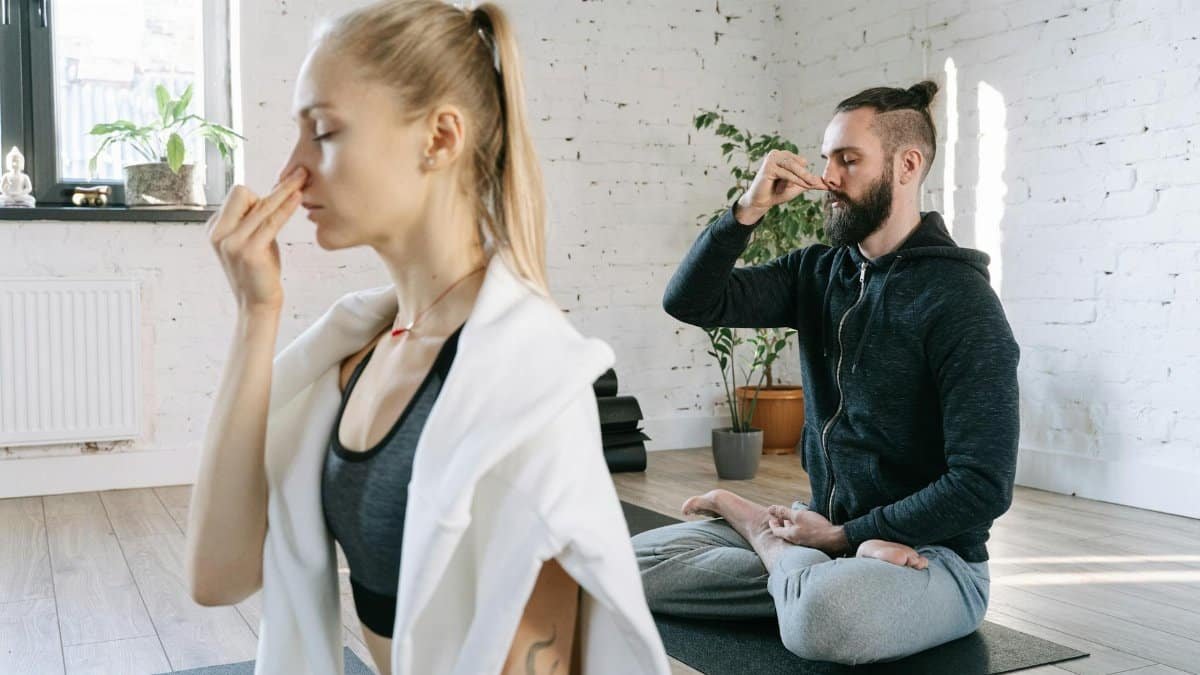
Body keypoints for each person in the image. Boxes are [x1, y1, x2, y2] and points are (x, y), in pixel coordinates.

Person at [184, 2, 670, 673]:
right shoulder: (360, 352)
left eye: (322, 132)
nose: (291, 170)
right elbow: (218, 575)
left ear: (440, 137)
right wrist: (255, 313)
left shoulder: (528, 383)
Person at [633, 80, 1020, 665]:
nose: (827, 178)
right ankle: (796, 568)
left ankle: (772, 547)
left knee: (824, 617)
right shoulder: (815, 272)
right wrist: (749, 210)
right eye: (825, 160)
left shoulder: (961, 302)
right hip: (823, 534)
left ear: (907, 165)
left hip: (932, 561)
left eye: (848, 159)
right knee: (624, 567)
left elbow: (982, 484)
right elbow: (690, 301)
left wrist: (847, 536)